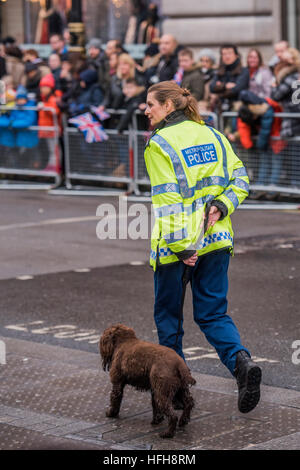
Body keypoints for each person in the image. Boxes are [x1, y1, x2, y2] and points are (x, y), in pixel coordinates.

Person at [143, 80, 262, 414]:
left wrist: (182, 247)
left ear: (168, 106)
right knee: (213, 313)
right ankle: (241, 364)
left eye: (151, 103)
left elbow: (167, 201)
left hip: (176, 250)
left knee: (169, 321)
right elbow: (240, 179)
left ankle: (177, 395)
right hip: (216, 241)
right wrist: (222, 205)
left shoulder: (160, 143)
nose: (146, 109)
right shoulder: (212, 134)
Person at [209, 43, 249, 112]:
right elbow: (212, 87)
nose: (227, 56)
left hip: (236, 107)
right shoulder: (219, 71)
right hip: (220, 106)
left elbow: (237, 89)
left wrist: (219, 89)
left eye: (230, 53)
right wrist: (225, 86)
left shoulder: (243, 71)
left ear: (236, 55)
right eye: (224, 54)